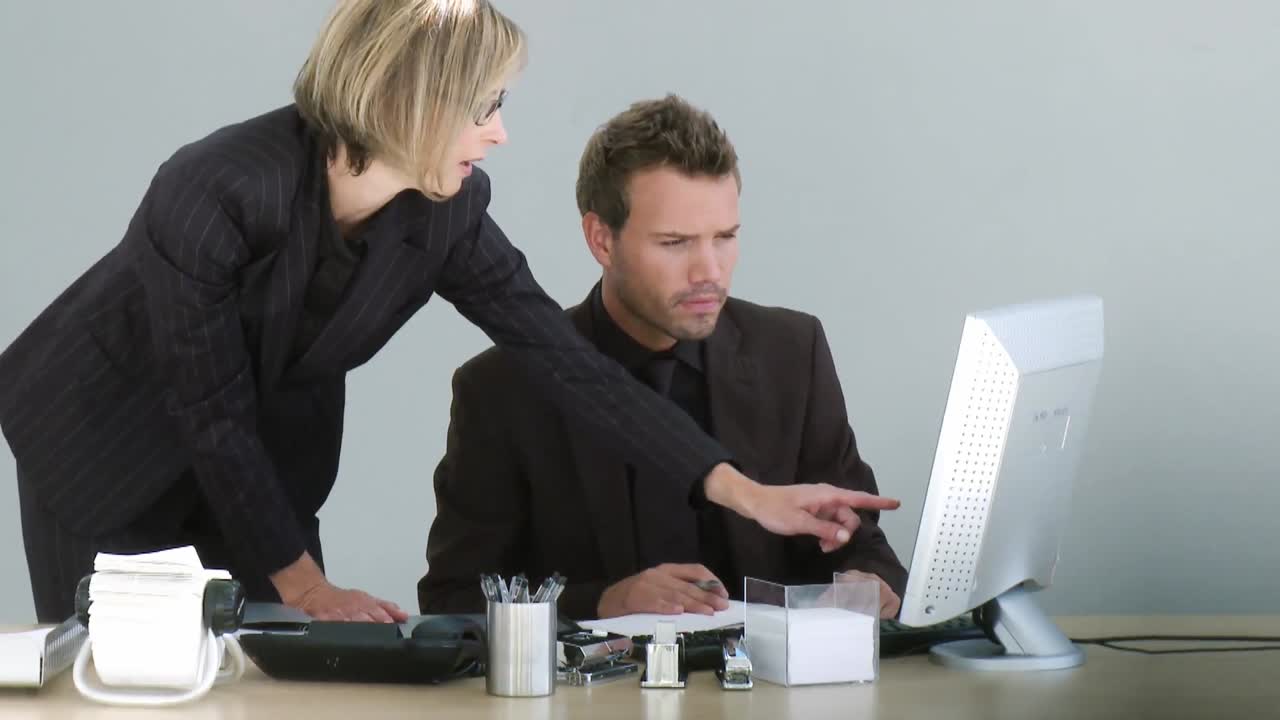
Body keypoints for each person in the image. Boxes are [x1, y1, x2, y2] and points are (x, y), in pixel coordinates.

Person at [0, 0, 896, 624]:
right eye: (486, 106)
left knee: (266, 677)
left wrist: (741, 489)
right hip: (106, 444)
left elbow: (569, 362)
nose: (500, 131)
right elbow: (209, 411)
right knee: (123, 685)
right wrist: (310, 589)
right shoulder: (214, 190)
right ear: (412, 103)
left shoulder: (448, 212)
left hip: (260, 463)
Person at [419, 95, 907, 621]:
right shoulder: (499, 388)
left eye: (725, 238)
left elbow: (863, 544)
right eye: (675, 243)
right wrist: (606, 601)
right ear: (601, 240)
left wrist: (870, 583)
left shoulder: (793, 352)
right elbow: (455, 600)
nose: (709, 271)